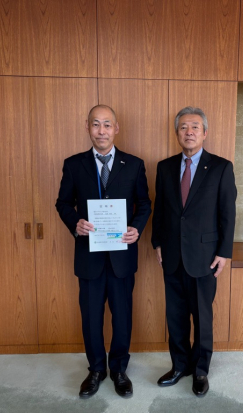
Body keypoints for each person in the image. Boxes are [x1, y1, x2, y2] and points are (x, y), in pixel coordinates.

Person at [56, 105, 151, 399]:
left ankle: (119, 370)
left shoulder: (134, 164)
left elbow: (145, 203)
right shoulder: (74, 164)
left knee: (122, 317)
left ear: (116, 128)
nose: (101, 131)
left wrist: (137, 228)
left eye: (107, 124)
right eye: (96, 124)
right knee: (91, 317)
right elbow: (62, 203)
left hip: (122, 256)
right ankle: (96, 369)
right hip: (90, 257)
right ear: (87, 127)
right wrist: (76, 223)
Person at [151, 106, 237, 397]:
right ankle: (179, 366)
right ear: (177, 133)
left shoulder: (221, 167)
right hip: (172, 255)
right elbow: (160, 210)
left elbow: (228, 213)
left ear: (205, 133)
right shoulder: (164, 167)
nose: (189, 132)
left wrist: (224, 253)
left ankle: (200, 370)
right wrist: (158, 243)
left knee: (202, 317)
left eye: (195, 127)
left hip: (205, 256)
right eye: (183, 127)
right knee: (175, 316)